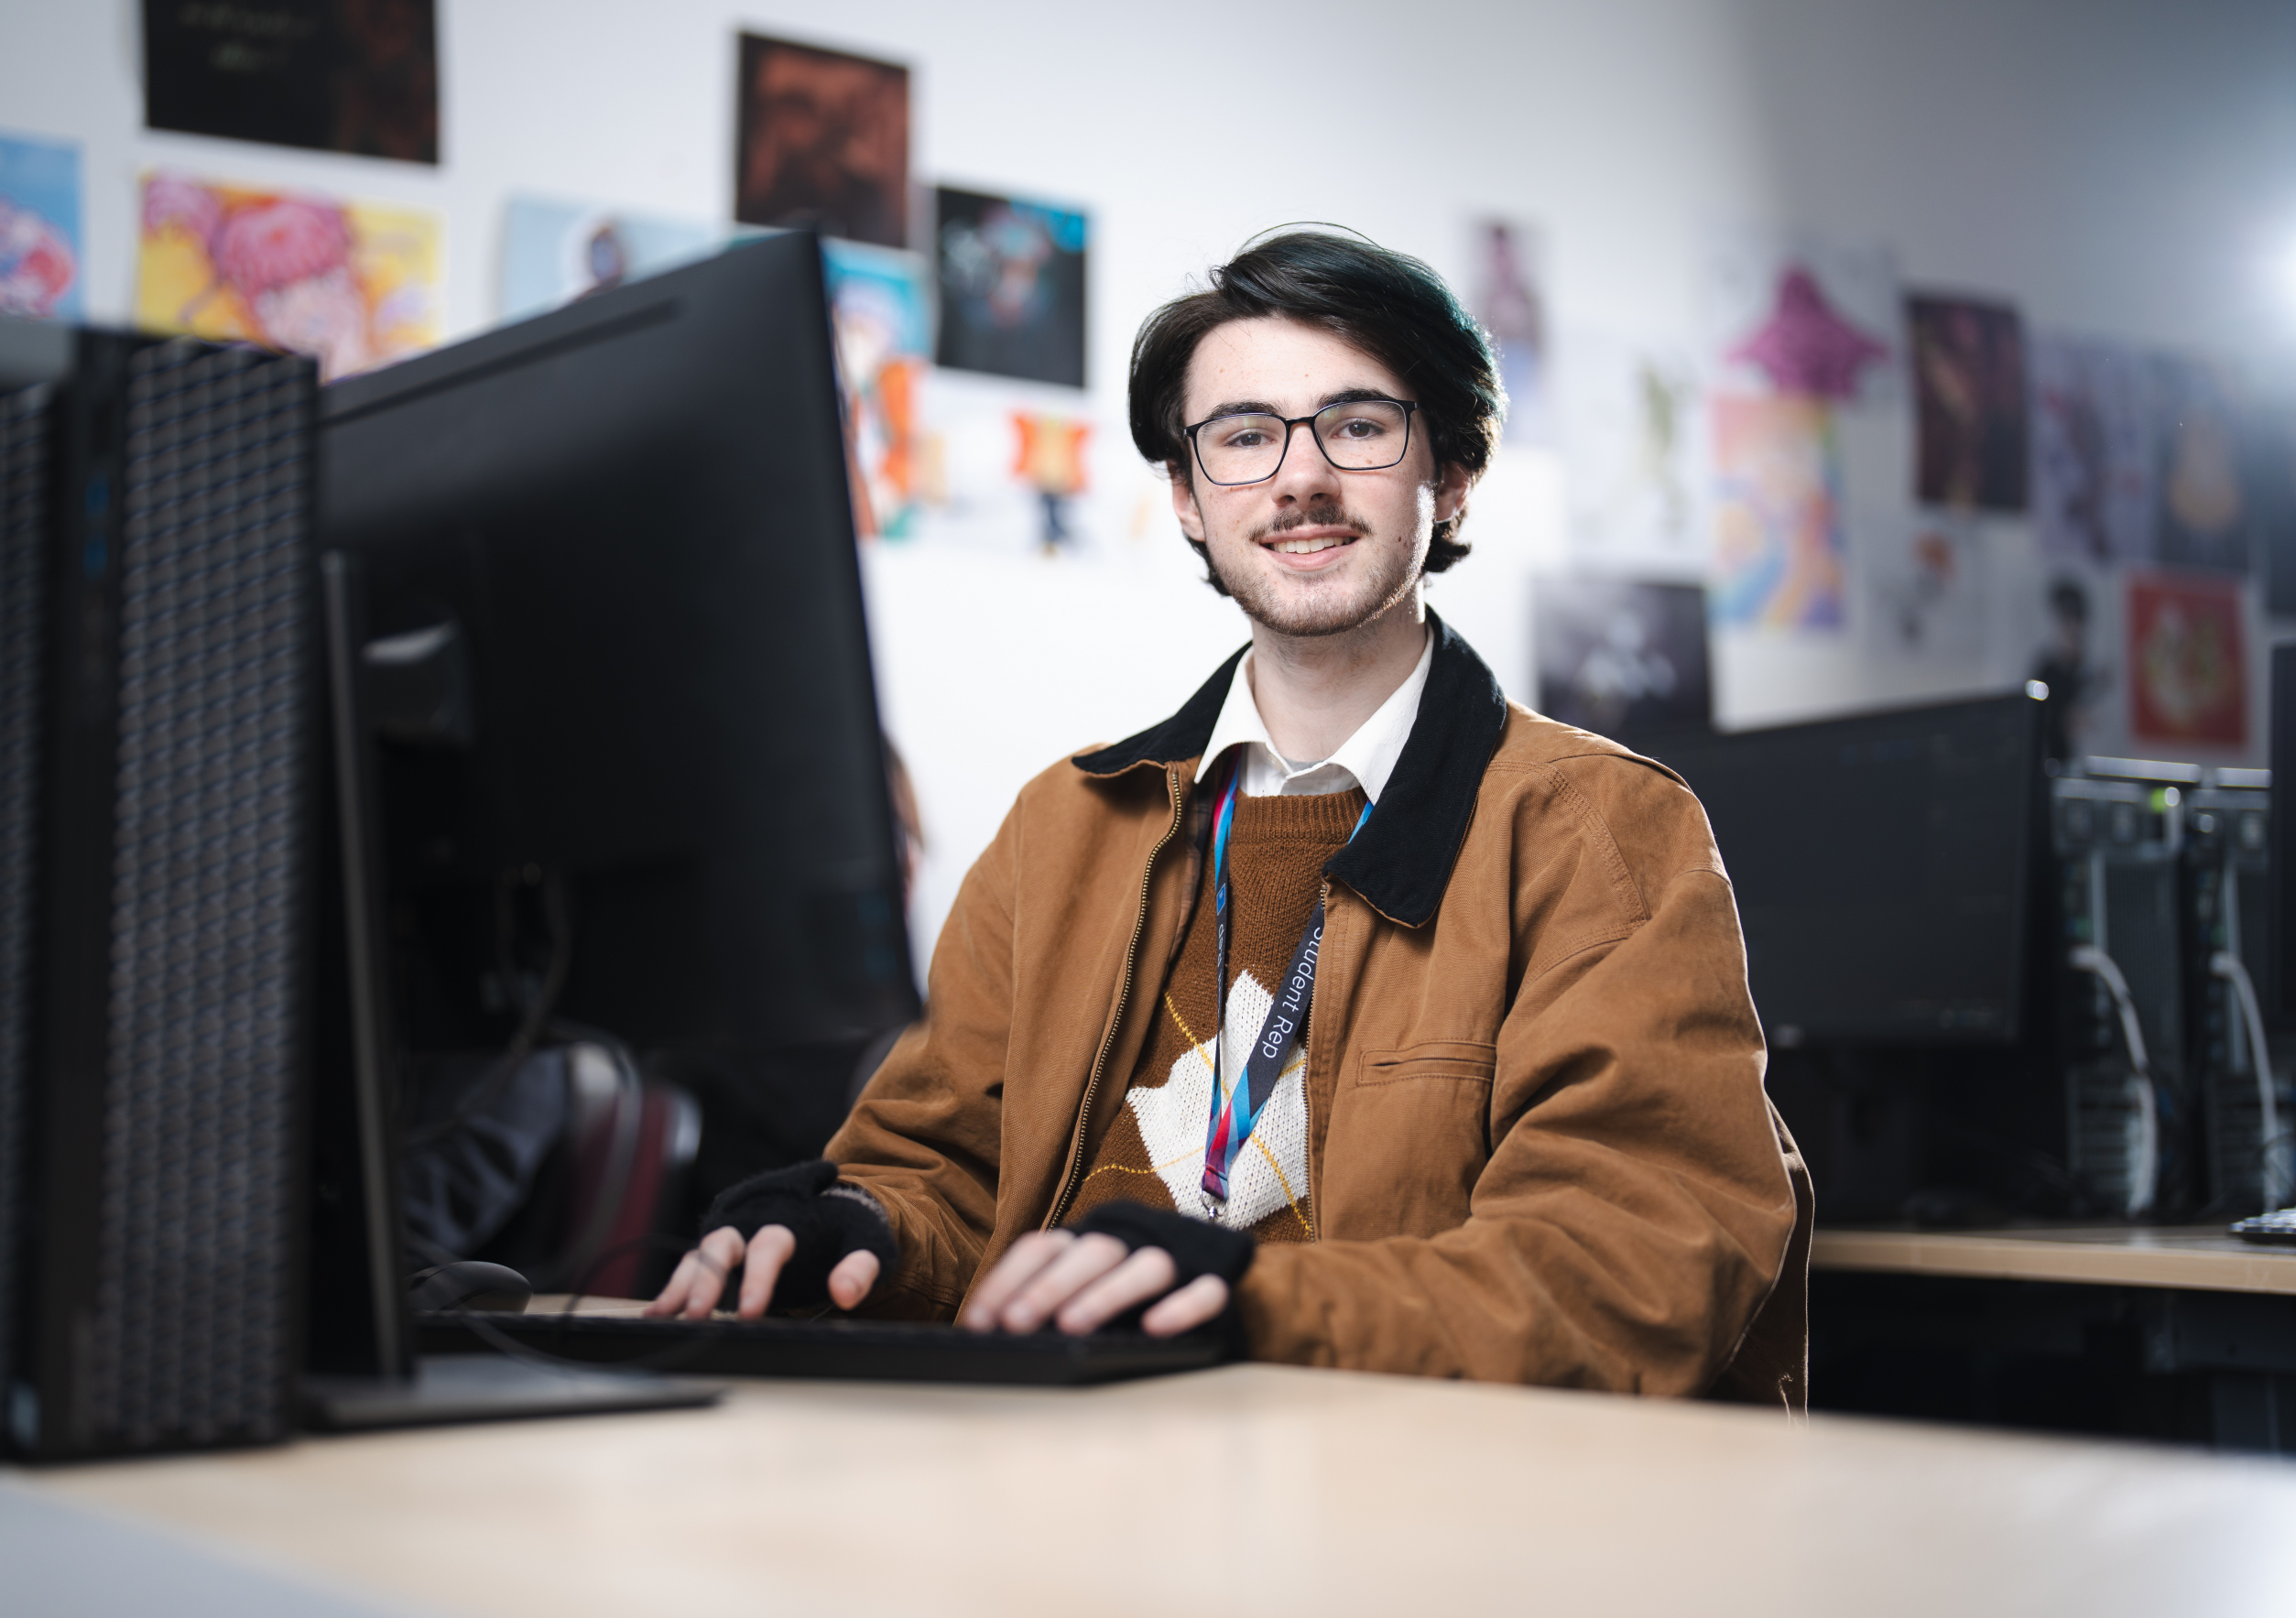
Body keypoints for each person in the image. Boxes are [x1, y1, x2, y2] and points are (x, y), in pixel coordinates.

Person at [647, 230, 1812, 1405]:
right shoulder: (1063, 826)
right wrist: (857, 1235)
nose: (1297, 478)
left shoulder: (1598, 829)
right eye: (1244, 438)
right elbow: (939, 1170)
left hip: (1403, 1517)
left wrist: (1243, 1304)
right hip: (1058, 1493)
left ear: (1450, 477)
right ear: (1190, 501)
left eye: (1357, 426)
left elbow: (1632, 1265)